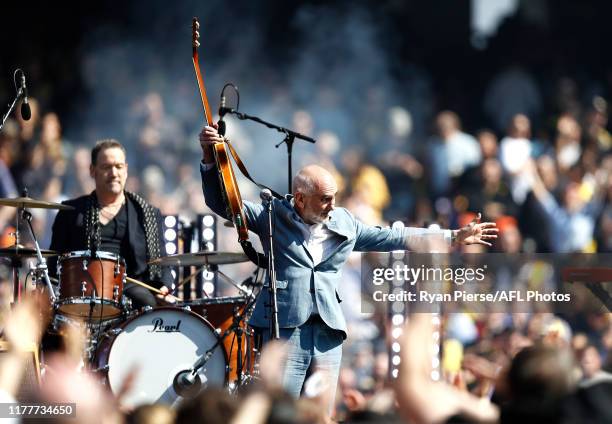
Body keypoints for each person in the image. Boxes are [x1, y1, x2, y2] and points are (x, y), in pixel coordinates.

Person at [199, 125, 498, 408]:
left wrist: (453, 236)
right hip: (285, 329)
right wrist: (209, 158)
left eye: (334, 198)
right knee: (281, 410)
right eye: (324, 199)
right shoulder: (272, 215)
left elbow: (394, 236)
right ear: (300, 199)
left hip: (328, 333)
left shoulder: (344, 222)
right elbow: (224, 203)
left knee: (322, 411)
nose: (332, 205)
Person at [49, 139, 174, 308]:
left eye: (119, 166)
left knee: (147, 301)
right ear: (92, 171)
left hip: (131, 289)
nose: (114, 173)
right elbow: (53, 263)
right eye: (107, 167)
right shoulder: (71, 212)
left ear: (126, 170)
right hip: (82, 289)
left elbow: (162, 262)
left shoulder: (148, 214)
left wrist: (164, 287)